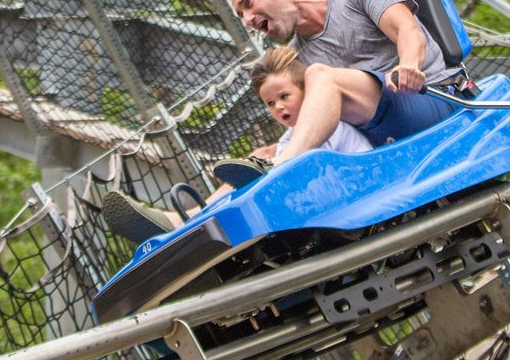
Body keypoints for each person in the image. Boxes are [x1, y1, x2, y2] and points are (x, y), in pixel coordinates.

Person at [103, 45, 372, 243]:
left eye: (284, 96)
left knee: (260, 179)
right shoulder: (288, 140)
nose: (278, 107)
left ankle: (193, 218)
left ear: (305, 91)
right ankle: (185, 220)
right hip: (319, 203)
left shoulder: (328, 120)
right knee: (248, 181)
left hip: (359, 192)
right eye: (270, 103)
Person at [225, 0, 463, 161]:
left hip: (432, 100)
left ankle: (283, 168)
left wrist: (409, 66)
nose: (247, 20)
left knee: (321, 76)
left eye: (248, 3)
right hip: (374, 141)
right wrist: (269, 154)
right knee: (264, 154)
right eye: (240, 15)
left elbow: (408, 31)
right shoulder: (296, 58)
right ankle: (199, 211)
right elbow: (309, 126)